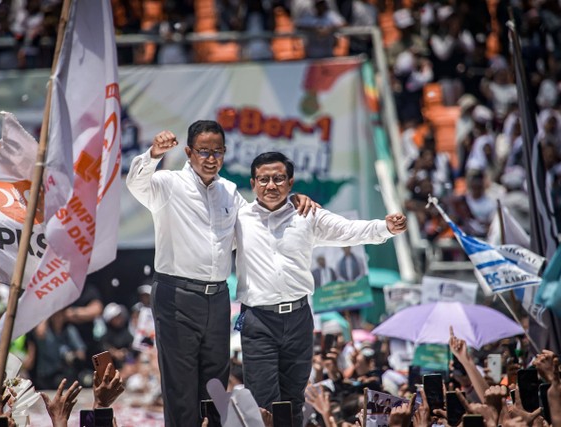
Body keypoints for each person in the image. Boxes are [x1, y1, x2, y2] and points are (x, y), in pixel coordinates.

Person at [125, 121, 316, 427]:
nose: (211, 158)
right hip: (177, 295)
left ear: (225, 154)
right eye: (203, 151)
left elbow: (259, 217)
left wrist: (293, 202)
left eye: (217, 151)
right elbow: (136, 183)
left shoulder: (228, 191)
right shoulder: (168, 184)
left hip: (217, 299)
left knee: (215, 385)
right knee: (181, 385)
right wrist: (153, 154)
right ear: (189, 152)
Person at [234, 152, 407, 426]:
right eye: (264, 179)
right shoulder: (238, 219)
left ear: (290, 183)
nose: (271, 185)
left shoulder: (306, 214)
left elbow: (347, 230)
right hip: (258, 321)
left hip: (299, 318)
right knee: (263, 402)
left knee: (294, 398)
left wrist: (384, 227)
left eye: (278, 179)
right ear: (253, 183)